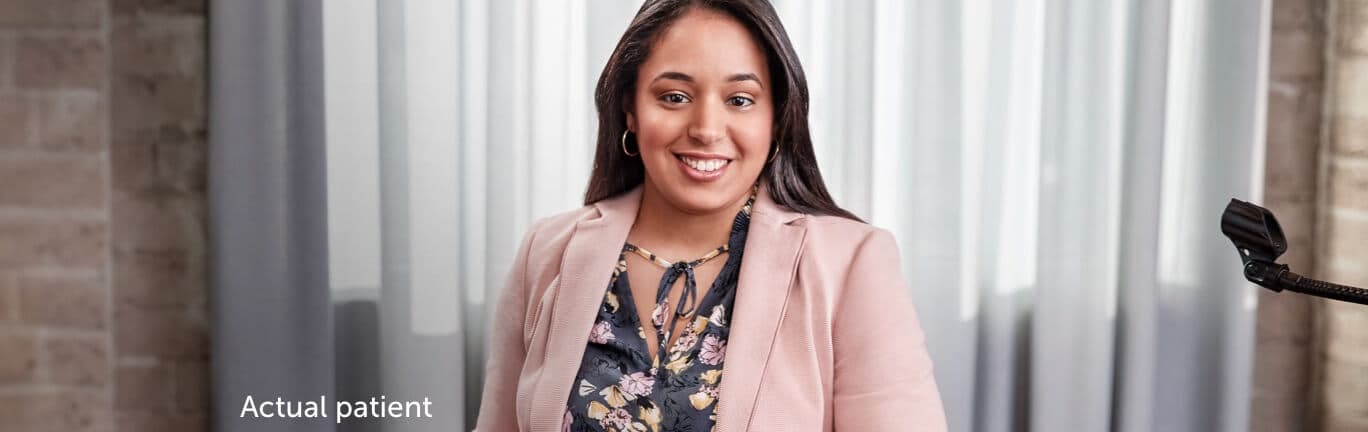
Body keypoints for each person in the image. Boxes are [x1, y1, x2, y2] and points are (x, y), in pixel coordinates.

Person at [475, 1, 946, 430]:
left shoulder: (851, 264)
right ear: (630, 109)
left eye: (739, 100)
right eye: (674, 97)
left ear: (776, 117)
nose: (705, 129)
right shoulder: (548, 252)